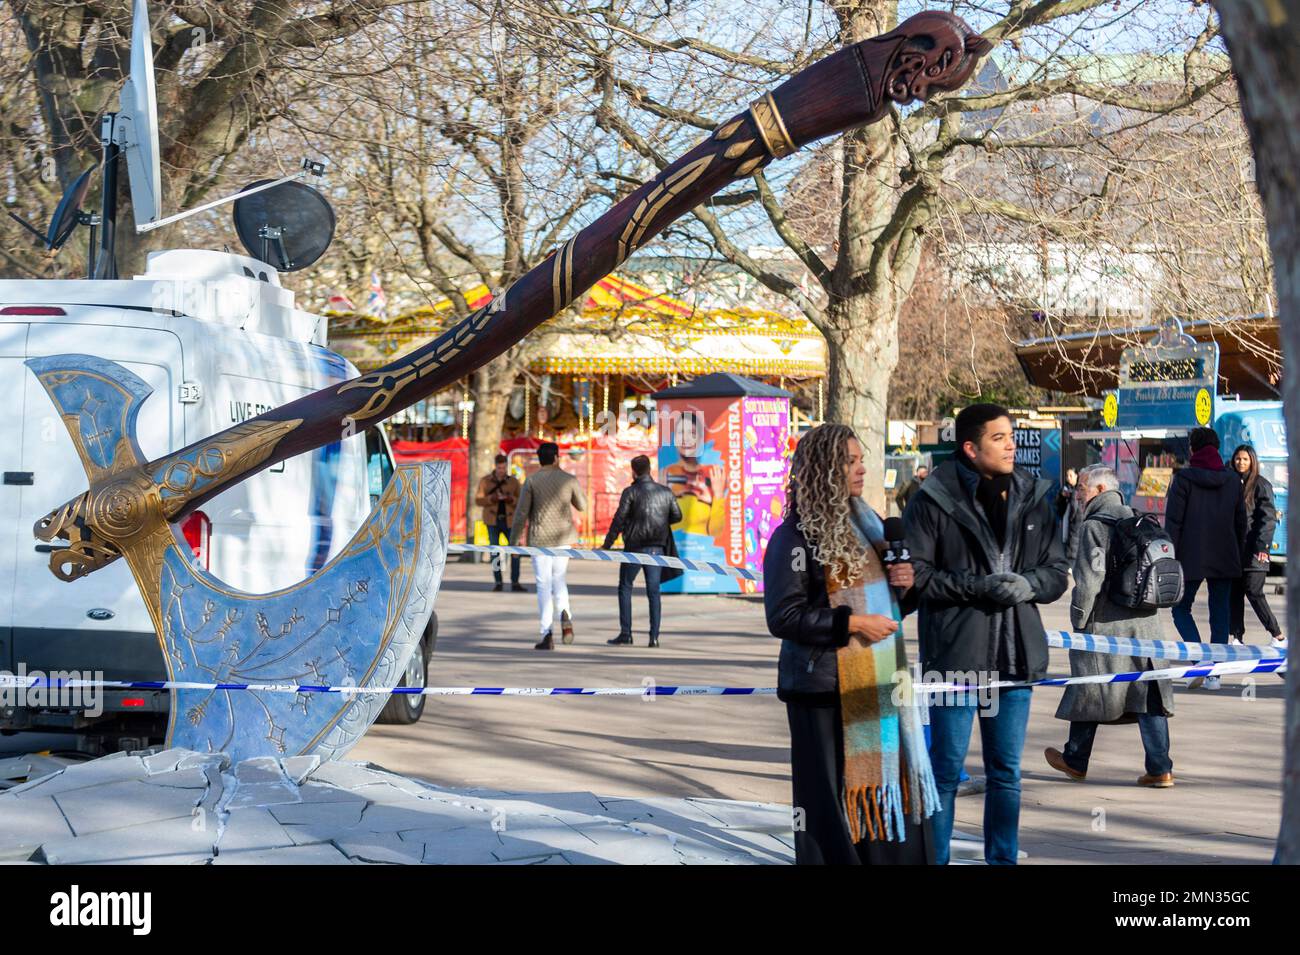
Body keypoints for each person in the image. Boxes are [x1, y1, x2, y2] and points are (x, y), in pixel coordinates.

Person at [904, 403, 1069, 865]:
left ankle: (1003, 860)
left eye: (1011, 435)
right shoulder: (932, 498)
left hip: (1016, 657)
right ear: (970, 447)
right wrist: (977, 587)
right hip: (955, 656)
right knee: (945, 773)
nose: (1011, 444)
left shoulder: (1034, 495)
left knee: (1006, 774)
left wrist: (1028, 585)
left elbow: (1057, 572)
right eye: (999, 437)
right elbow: (918, 575)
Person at [764, 424, 937, 865]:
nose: (862, 469)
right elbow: (784, 617)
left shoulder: (871, 524)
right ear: (824, 469)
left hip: (877, 685)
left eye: (861, 459)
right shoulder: (794, 537)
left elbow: (894, 608)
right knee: (827, 807)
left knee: (883, 797)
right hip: (820, 690)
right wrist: (853, 623)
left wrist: (907, 586)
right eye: (850, 461)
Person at [1043, 465, 1175, 788]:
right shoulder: (1139, 518)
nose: (1077, 494)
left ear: (1101, 491)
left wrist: (1079, 617)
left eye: (1082, 488)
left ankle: (1075, 759)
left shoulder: (1094, 526)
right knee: (1148, 693)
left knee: (1091, 686)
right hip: (1147, 626)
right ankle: (1160, 767)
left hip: (1106, 629)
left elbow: (1089, 580)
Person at [1165, 427, 1247, 688]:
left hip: (1190, 555)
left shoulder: (1183, 479)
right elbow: (1241, 523)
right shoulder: (1233, 480)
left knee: (1180, 608)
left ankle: (1200, 661)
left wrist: (1170, 555)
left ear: (1193, 449)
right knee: (1220, 613)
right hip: (1225, 555)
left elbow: (1174, 522)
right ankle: (1215, 674)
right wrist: (1238, 550)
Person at [510, 442, 587, 650]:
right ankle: (566, 614)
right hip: (563, 539)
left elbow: (521, 513)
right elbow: (583, 505)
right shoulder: (569, 479)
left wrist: (514, 540)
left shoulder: (532, 481)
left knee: (543, 585)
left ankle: (547, 634)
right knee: (559, 579)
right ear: (556, 458)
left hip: (540, 540)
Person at [603, 455, 682, 648]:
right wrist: (661, 522)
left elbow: (619, 519)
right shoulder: (665, 492)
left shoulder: (630, 492)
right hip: (657, 548)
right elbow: (677, 516)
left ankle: (626, 633)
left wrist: (607, 544)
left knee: (625, 587)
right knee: (654, 591)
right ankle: (654, 637)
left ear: (634, 471)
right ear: (649, 470)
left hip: (634, 548)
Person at [1229, 444, 1286, 651]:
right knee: (1234, 593)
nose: (1241, 462)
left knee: (1254, 591)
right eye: (1238, 459)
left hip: (1255, 550)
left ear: (1252, 461)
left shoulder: (1261, 485)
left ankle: (1277, 635)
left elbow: (1268, 519)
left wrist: (1263, 546)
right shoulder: (1231, 483)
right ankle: (1236, 637)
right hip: (1235, 550)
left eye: (1245, 459)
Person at [475, 454, 524, 592]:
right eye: (499, 467)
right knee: (495, 552)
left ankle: (515, 582)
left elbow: (521, 501)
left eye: (503, 468)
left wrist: (510, 499)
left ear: (506, 467)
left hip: (510, 521)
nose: (501, 470)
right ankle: (498, 582)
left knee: (515, 551)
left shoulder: (513, 481)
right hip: (493, 521)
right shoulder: (485, 481)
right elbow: (478, 500)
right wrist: (492, 498)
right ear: (495, 466)